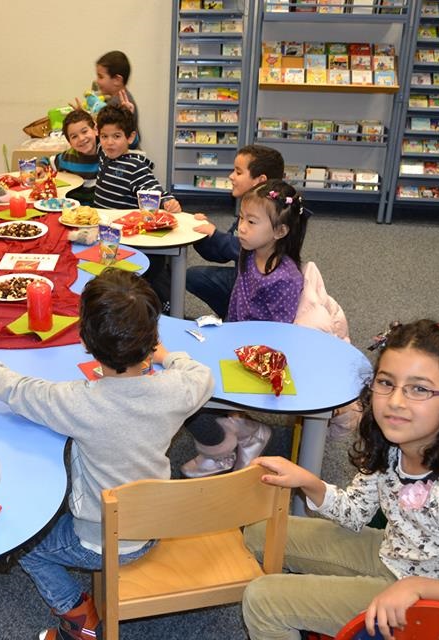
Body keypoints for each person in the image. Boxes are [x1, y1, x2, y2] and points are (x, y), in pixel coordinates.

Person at [0, 269, 214, 640]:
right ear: (150, 340)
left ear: (86, 342)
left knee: (24, 544)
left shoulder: (79, 401)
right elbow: (201, 375)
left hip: (103, 538)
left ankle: (78, 620)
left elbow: (16, 390)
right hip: (155, 520)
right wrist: (168, 356)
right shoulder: (175, 389)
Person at [242, 320, 439, 639]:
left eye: (419, 388)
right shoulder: (394, 442)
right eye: (386, 383)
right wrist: (307, 481)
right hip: (394, 553)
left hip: (426, 605)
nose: (395, 401)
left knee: (262, 601)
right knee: (259, 533)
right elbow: (356, 512)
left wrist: (418, 587)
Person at [181, 180, 308, 478]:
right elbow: (239, 300)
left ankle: (235, 439)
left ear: (280, 232)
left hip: (261, 358)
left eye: (251, 221)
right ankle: (240, 429)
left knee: (193, 389)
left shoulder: (284, 278)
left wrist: (231, 351)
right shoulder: (249, 253)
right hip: (235, 339)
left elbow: (279, 336)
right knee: (184, 373)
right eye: (241, 218)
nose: (241, 227)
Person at [93, 105, 181, 306]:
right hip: (105, 233)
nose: (109, 143)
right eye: (104, 136)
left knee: (126, 286)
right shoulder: (103, 154)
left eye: (116, 136)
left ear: (130, 137)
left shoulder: (135, 166)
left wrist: (168, 200)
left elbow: (153, 189)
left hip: (125, 238)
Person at [187, 145, 285, 319]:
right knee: (194, 276)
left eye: (238, 172)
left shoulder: (274, 215)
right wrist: (200, 234)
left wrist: (214, 234)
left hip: (261, 284)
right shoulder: (248, 210)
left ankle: (239, 321)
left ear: (260, 180)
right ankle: (232, 316)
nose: (231, 176)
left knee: (196, 277)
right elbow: (223, 253)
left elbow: (242, 249)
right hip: (244, 276)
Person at [38, 109, 99, 205]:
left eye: (84, 131)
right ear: (69, 142)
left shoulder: (107, 154)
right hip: (71, 210)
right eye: (74, 137)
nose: (81, 138)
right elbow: (47, 160)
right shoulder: (67, 157)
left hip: (100, 211)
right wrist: (40, 166)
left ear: (95, 130)